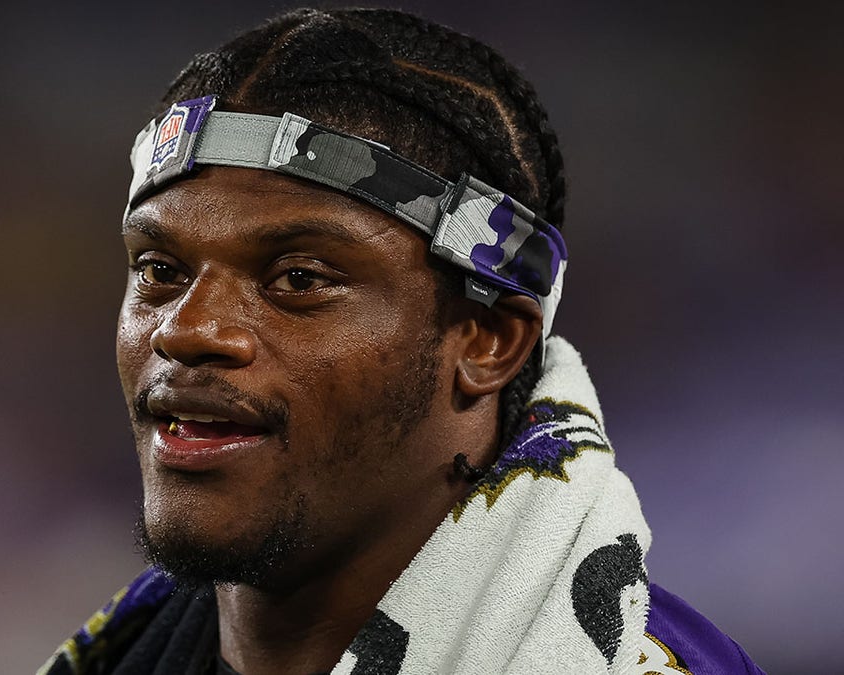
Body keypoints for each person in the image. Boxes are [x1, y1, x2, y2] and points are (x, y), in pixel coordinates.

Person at [40, 8, 763, 675]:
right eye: (160, 270)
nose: (187, 328)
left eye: (298, 278)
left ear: (487, 341)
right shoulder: (125, 653)